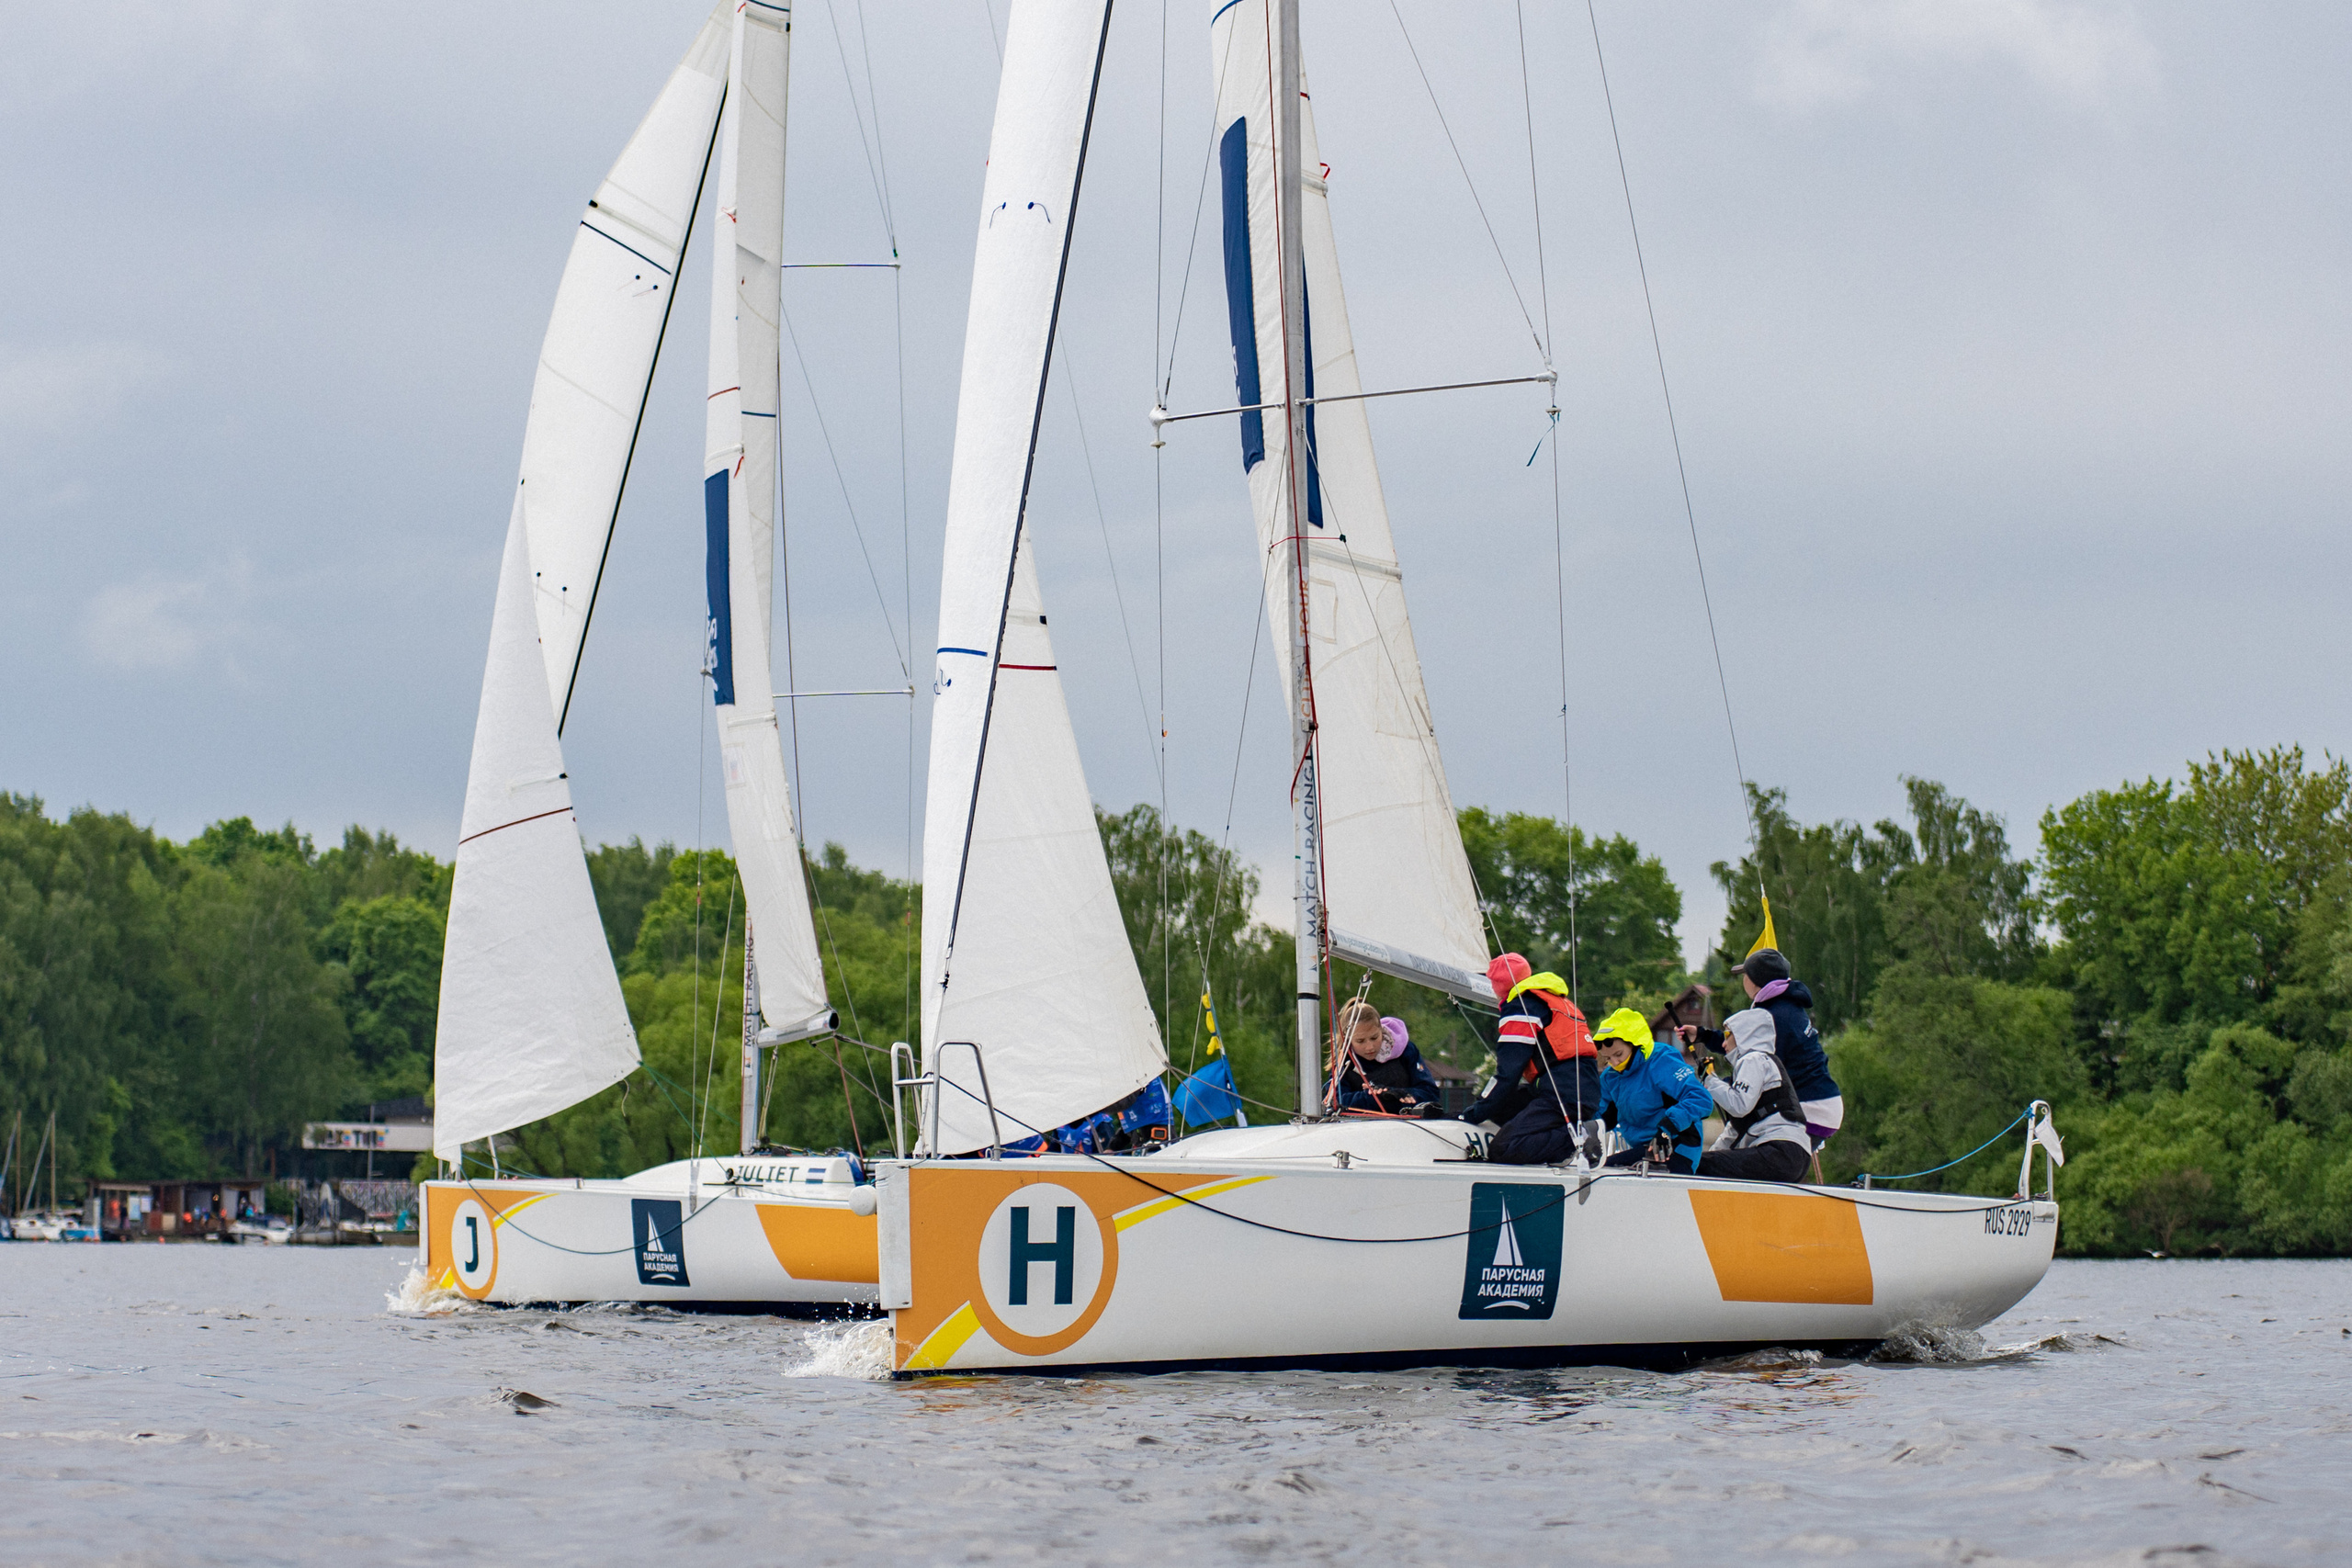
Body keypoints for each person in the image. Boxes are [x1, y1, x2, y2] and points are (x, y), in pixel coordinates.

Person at [1679, 947, 1844, 1149]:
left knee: (1742, 1144)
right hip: (1825, 1103)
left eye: (1745, 975)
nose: (1742, 980)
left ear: (1755, 981)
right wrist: (1703, 1035)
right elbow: (1742, 1045)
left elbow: (1747, 1055)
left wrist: (1723, 1086)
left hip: (1809, 1108)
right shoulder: (1788, 1005)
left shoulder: (1769, 1015)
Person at [1469, 954, 1604, 1166]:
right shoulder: (1550, 999)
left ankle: (1577, 1139)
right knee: (1498, 1106)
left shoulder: (1521, 1006)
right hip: (1579, 1088)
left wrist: (1469, 1116)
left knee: (1502, 1149)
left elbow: (1507, 1074)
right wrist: (1481, 1108)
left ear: (1496, 985)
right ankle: (1549, 1143)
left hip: (1561, 1093)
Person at [1590, 1008, 1713, 1175]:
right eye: (1607, 1058)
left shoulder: (1662, 1061)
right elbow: (1603, 1116)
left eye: (1618, 1054)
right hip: (1643, 1149)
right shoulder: (1610, 1077)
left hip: (1676, 1146)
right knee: (1598, 1173)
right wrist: (1582, 1129)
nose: (1615, 1062)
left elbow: (1701, 1099)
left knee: (1606, 1173)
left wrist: (1666, 1129)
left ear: (1635, 1043)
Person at [1697, 1007, 1813, 1182]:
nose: (1723, 1043)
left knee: (1700, 1165)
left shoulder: (1753, 1059)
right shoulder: (1762, 1065)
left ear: (1744, 1034)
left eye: (1727, 1035)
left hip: (1779, 1151)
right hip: (1796, 1156)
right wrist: (1712, 1155)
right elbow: (1734, 1131)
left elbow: (1738, 1106)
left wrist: (1709, 1080)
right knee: (1714, 1164)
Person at [1331, 1003, 1442, 1114]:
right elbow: (1333, 1100)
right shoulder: (1343, 1060)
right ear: (1348, 1039)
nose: (1370, 1047)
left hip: (1407, 1125)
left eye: (1374, 1038)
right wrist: (1374, 1096)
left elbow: (1430, 1093)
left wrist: (1396, 1094)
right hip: (1361, 1127)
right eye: (1360, 1041)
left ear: (1381, 1030)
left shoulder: (1406, 1049)